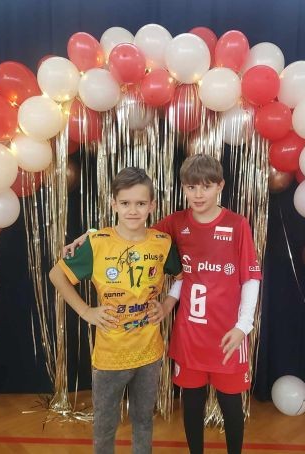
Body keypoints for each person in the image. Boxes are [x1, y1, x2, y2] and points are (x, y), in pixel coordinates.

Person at [66, 155, 262, 454]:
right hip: (190, 335)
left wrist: (243, 325)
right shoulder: (176, 223)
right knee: (192, 403)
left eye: (206, 186)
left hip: (227, 335)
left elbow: (251, 278)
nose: (199, 194)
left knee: (231, 405)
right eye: (191, 187)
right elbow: (132, 232)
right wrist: (91, 235)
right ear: (183, 188)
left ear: (220, 186)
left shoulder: (237, 224)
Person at [50, 167, 182, 454]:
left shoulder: (162, 243)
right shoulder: (97, 243)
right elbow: (56, 275)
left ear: (152, 205)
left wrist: (167, 304)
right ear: (113, 204)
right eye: (125, 203)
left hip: (149, 351)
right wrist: (86, 311)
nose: (133, 210)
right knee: (105, 424)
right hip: (110, 354)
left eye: (140, 203)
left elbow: (183, 275)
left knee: (143, 420)